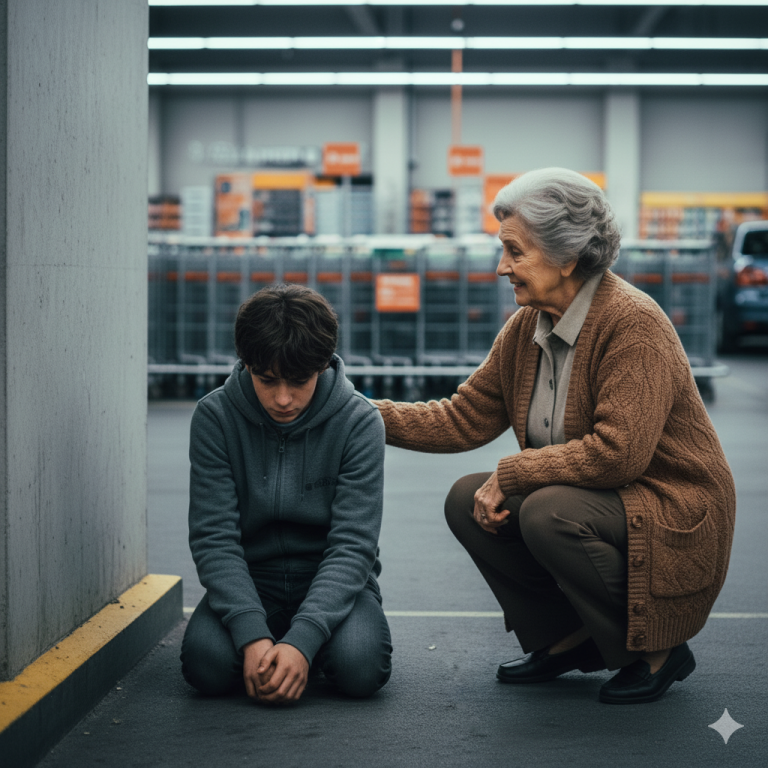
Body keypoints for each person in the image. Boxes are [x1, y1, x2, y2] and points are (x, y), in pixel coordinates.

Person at [374, 168, 735, 705]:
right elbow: (461, 417)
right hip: (605, 497)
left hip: (671, 504)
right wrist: (356, 411)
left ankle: (660, 649)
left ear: (567, 257)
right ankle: (567, 637)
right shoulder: (529, 325)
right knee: (465, 499)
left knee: (546, 511)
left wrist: (513, 473)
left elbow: (619, 455)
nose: (502, 267)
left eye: (515, 252)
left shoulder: (633, 324)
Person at [181, 284, 392, 704]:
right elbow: (214, 538)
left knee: (361, 668)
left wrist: (303, 640)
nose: (282, 399)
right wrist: (251, 633)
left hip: (329, 577)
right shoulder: (215, 417)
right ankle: (281, 651)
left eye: (299, 381)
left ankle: (303, 651)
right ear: (246, 364)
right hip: (252, 578)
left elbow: (353, 545)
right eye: (266, 380)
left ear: (323, 365)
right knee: (205, 666)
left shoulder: (359, 421)